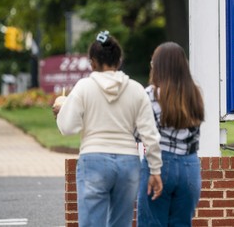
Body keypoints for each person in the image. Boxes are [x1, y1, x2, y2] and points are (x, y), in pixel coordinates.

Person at [55, 31, 163, 227]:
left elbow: (68, 127)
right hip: (128, 163)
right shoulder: (136, 89)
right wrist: (155, 169)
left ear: (92, 63)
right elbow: (150, 135)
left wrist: (62, 110)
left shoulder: (83, 87)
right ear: (119, 60)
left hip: (94, 159)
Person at [137, 42, 205, 227]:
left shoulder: (150, 94)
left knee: (152, 222)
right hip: (190, 166)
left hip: (158, 164)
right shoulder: (194, 94)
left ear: (158, 66)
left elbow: (139, 133)